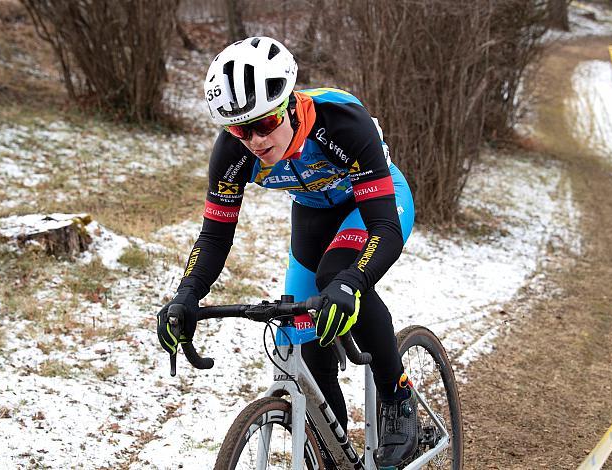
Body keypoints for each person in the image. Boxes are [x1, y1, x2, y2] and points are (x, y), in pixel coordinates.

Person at [157, 36, 418, 467]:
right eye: (241, 129)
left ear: (290, 104)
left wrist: (352, 282)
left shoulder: (342, 121)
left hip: (373, 204)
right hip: (313, 213)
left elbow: (385, 228)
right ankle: (334, 455)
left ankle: (396, 392)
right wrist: (187, 295)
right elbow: (214, 237)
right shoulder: (232, 155)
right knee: (301, 336)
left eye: (264, 124)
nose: (255, 140)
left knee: (337, 275)